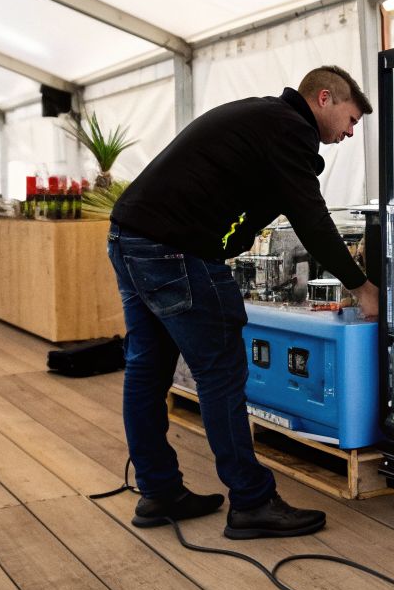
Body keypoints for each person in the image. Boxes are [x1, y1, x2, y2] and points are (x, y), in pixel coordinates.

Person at [109, 66, 378, 539]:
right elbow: (312, 220)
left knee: (146, 371)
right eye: (351, 119)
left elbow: (248, 204)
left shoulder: (262, 117)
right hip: (173, 250)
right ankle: (252, 502)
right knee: (222, 376)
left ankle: (159, 491)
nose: (350, 133)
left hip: (131, 236)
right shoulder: (291, 131)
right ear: (323, 99)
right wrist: (361, 285)